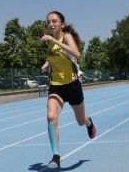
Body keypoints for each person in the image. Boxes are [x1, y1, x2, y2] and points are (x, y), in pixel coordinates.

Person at [41, 11, 96, 169]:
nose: (51, 24)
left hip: (72, 85)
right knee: (51, 116)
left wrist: (54, 40)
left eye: (54, 21)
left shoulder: (65, 37)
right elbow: (53, 56)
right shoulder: (50, 42)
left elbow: (76, 53)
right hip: (56, 86)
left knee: (80, 121)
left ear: (62, 24)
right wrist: (47, 63)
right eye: (48, 22)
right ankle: (56, 157)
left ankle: (88, 121)